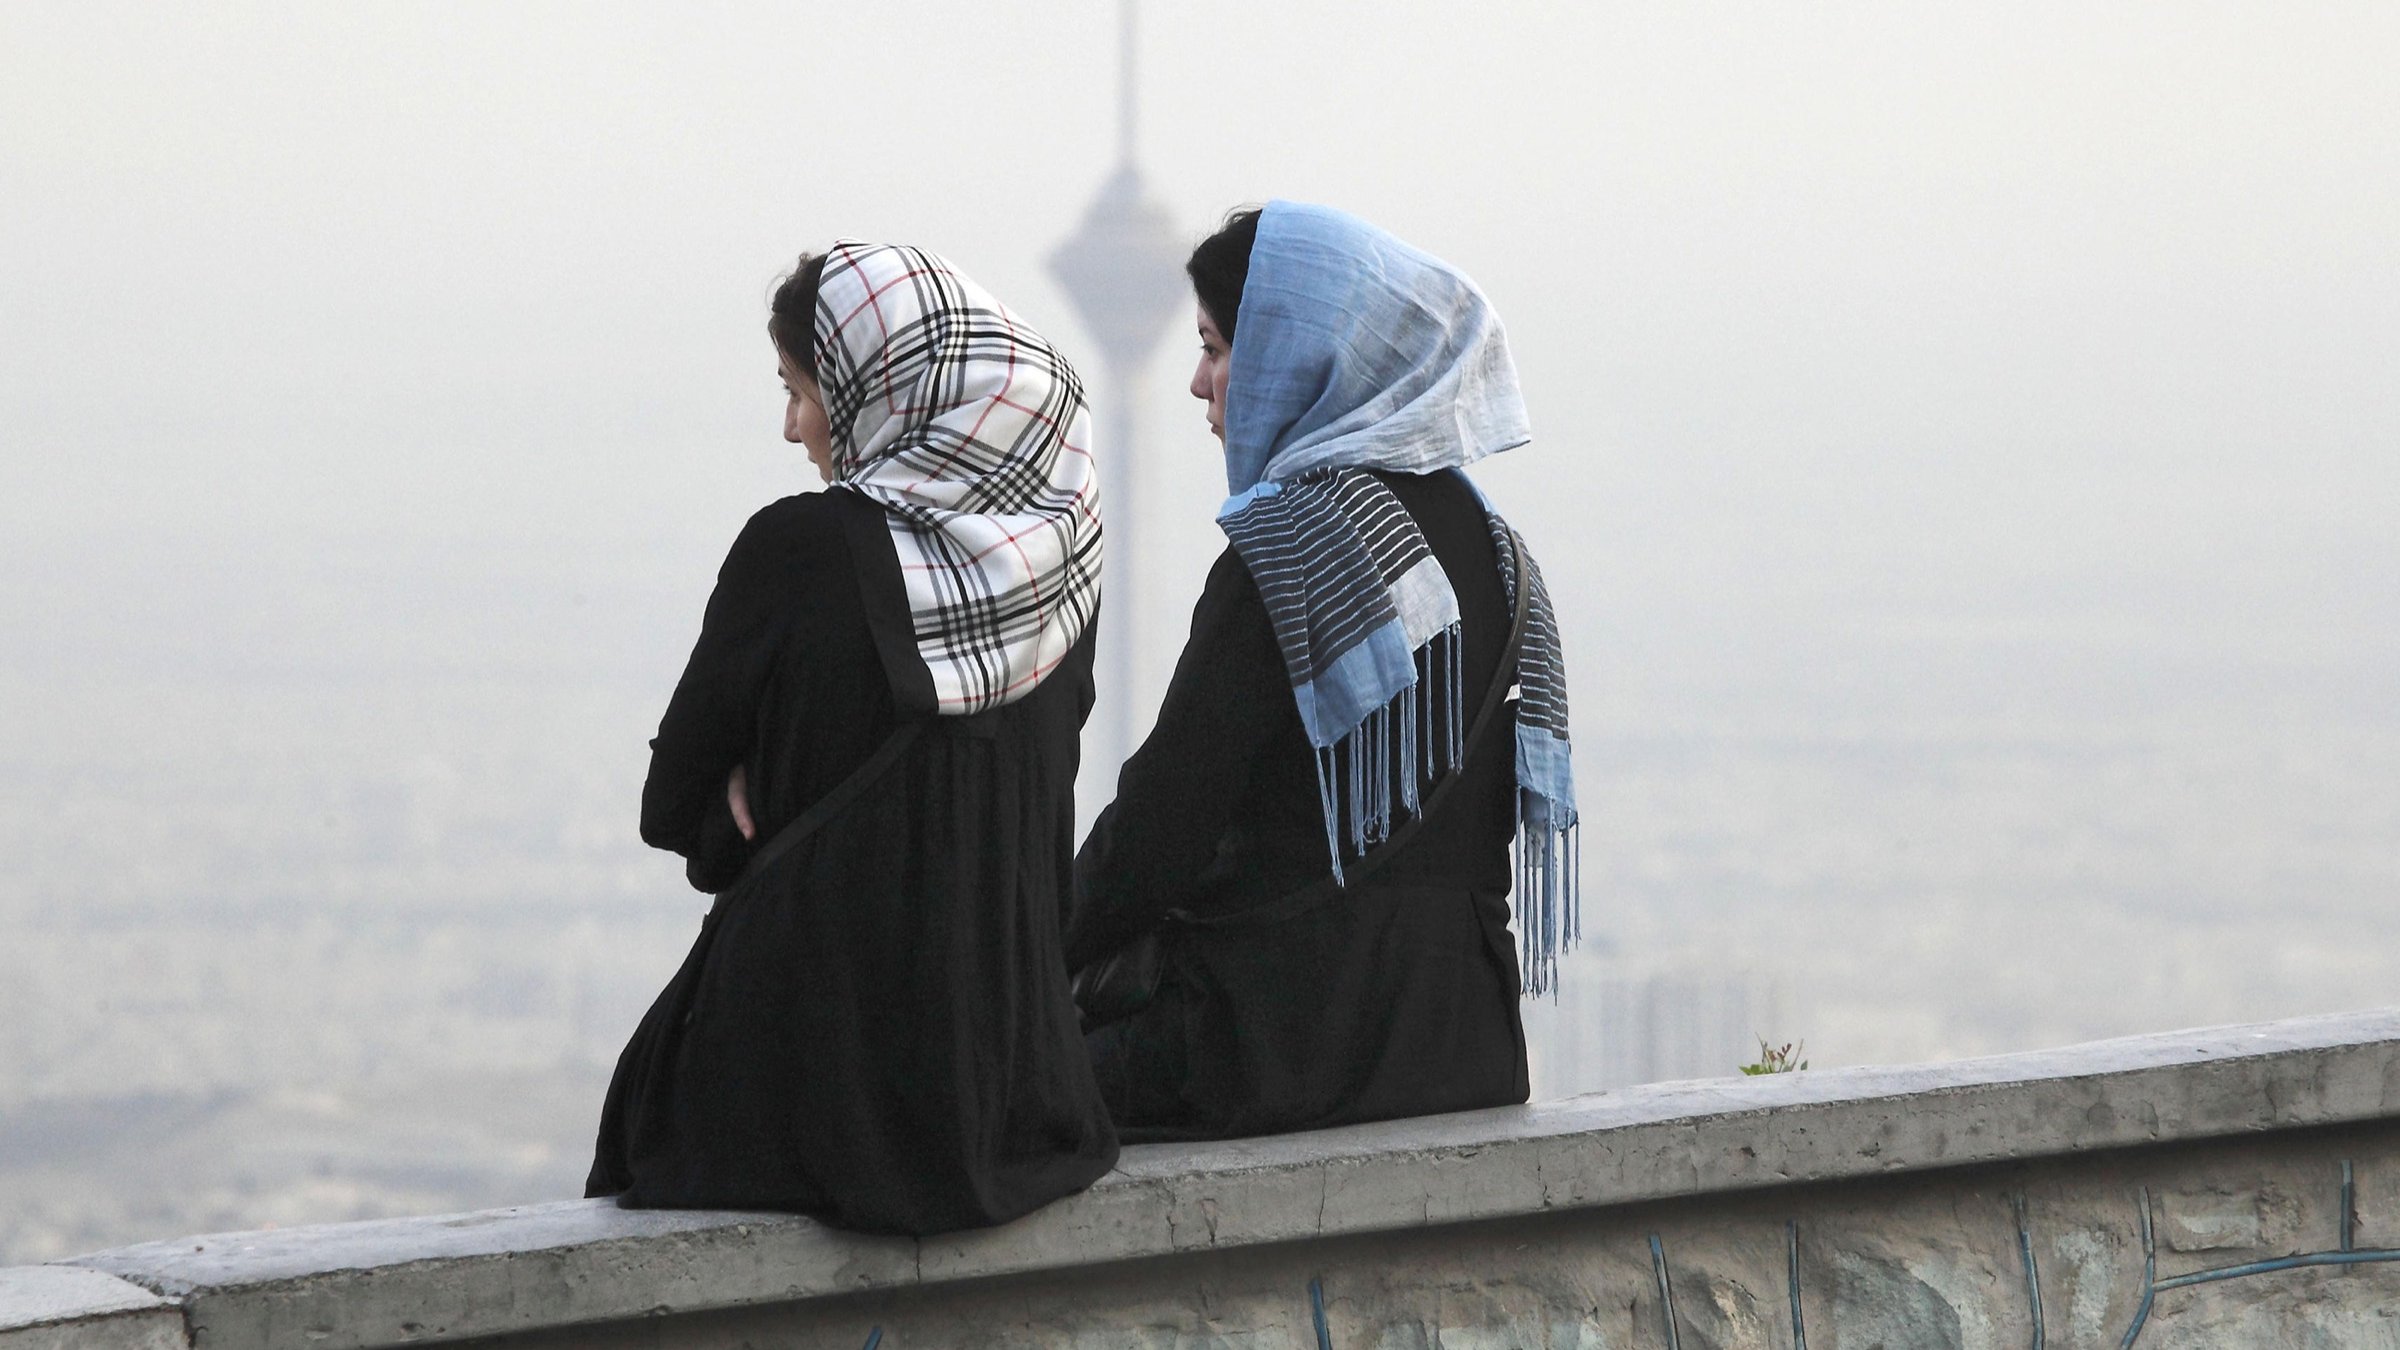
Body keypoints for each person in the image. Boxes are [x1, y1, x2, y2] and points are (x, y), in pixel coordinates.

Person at [587, 241, 1118, 1234]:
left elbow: (672, 810)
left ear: (887, 392)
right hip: (1016, 1094)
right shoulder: (1062, 577)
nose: (792, 428)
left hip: (803, 1098)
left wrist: (746, 795)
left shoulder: (797, 550)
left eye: (803, 390)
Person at [1067, 202, 1580, 1142]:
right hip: (1463, 1042)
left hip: (1279, 1046)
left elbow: (1160, 830)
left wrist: (1021, 959)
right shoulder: (1503, 558)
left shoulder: (1297, 550)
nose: (1197, 382)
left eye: (1220, 348)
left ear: (1297, 357)